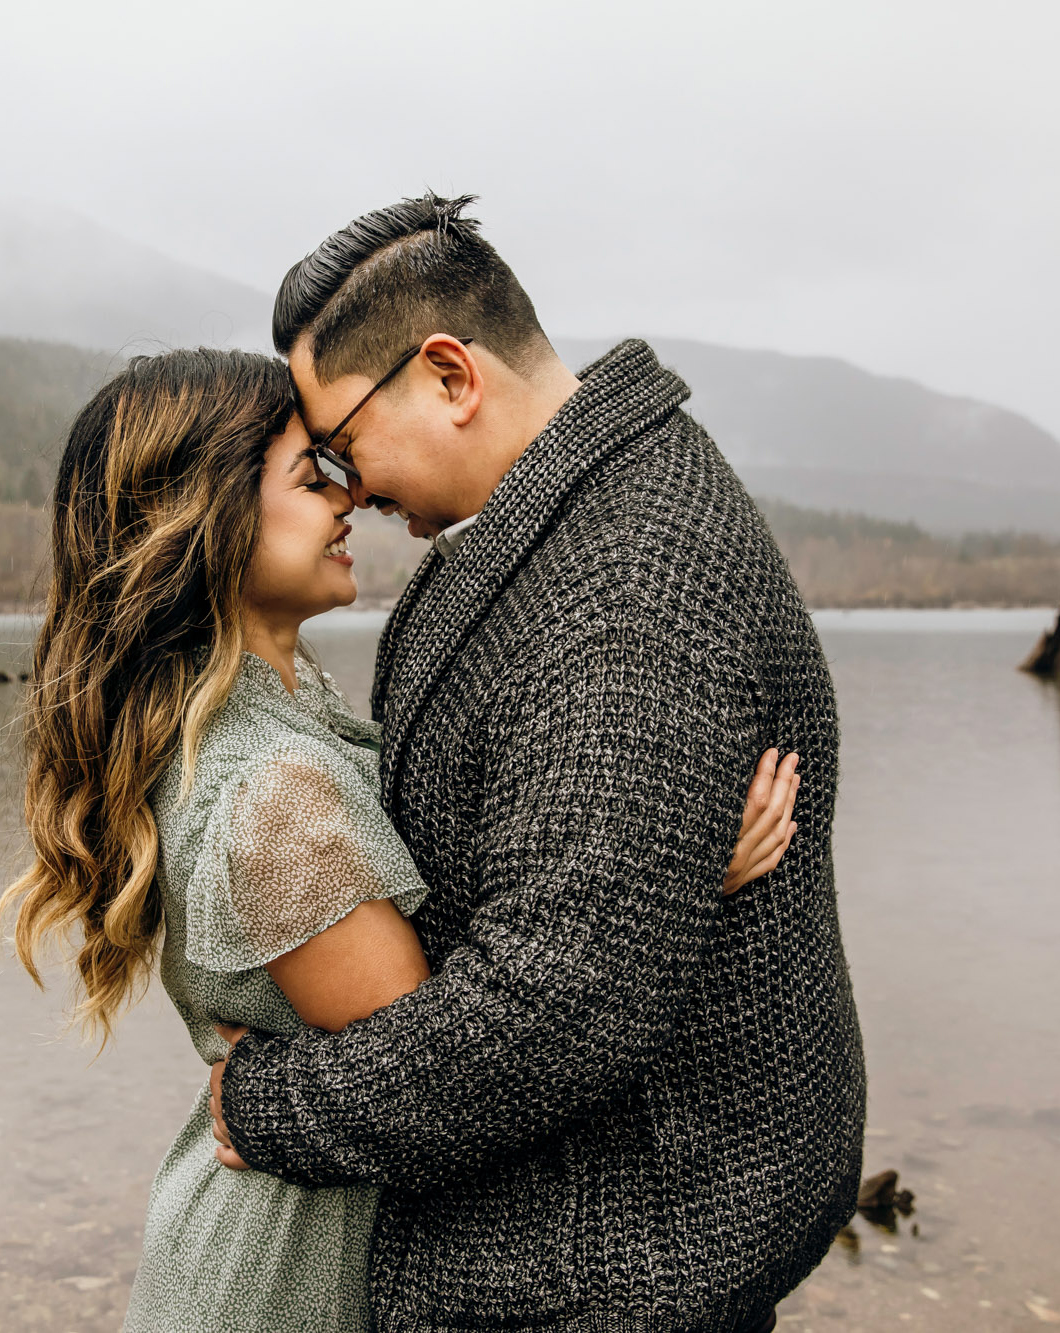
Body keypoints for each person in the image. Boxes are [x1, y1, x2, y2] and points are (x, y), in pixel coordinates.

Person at [0, 346, 803, 1332]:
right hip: (287, 1276)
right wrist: (658, 873)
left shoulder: (288, 716)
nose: (350, 500)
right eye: (310, 476)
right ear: (212, 518)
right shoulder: (272, 792)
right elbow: (458, 1066)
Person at [204, 194, 867, 1332]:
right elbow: (564, 924)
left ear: (450, 375)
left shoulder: (628, 590)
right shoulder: (569, 526)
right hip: (607, 1237)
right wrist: (671, 885)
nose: (348, 486)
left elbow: (554, 1002)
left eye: (343, 444)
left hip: (620, 1265)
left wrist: (271, 1107)